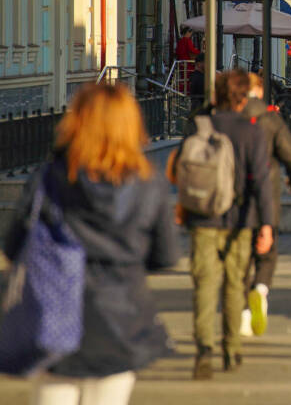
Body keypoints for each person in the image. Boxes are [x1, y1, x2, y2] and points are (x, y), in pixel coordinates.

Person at [3, 84, 179, 405]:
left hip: (54, 317)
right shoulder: (148, 183)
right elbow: (166, 255)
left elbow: (15, 246)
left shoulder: (50, 177)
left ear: (77, 121)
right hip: (121, 320)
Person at [175, 69, 275, 379]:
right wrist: (267, 225)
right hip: (240, 220)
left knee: (204, 285)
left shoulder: (200, 126)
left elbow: (181, 167)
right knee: (235, 285)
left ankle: (204, 349)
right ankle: (232, 349)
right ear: (243, 97)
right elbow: (262, 180)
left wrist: (182, 206)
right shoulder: (252, 131)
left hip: (203, 217)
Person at [240, 73, 291, 338]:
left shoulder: (227, 116)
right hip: (267, 190)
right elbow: (290, 151)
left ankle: (243, 311)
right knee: (267, 248)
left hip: (236, 195)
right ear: (258, 89)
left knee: (241, 255)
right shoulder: (269, 118)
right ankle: (261, 289)